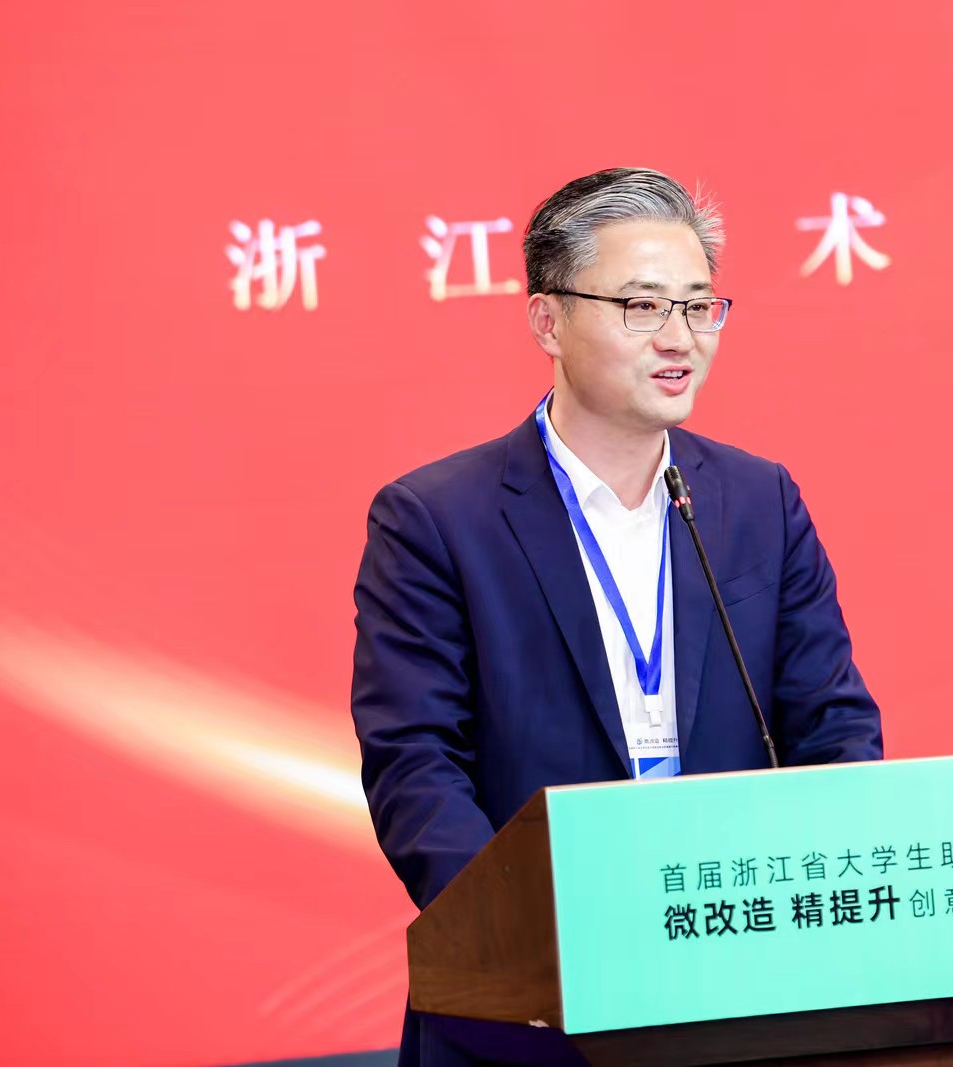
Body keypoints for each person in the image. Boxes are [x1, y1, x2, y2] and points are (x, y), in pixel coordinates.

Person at [350, 167, 882, 1059]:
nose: (680, 337)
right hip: (530, 1005)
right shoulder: (437, 519)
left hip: (740, 989)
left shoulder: (759, 501)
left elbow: (834, 727)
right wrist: (532, 941)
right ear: (547, 321)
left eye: (699, 306)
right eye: (641, 306)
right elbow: (416, 767)